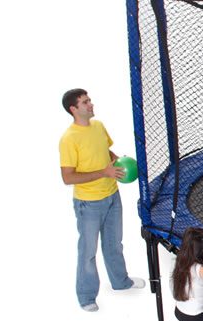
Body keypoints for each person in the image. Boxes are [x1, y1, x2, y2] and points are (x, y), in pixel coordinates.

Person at [59, 88, 146, 312]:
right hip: (88, 204)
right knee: (88, 252)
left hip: (112, 196)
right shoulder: (69, 139)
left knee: (114, 244)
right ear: (74, 109)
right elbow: (68, 177)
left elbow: (107, 152)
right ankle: (86, 296)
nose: (91, 104)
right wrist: (103, 173)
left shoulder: (98, 126)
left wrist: (121, 163)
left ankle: (121, 282)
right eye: (85, 102)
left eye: (90, 100)